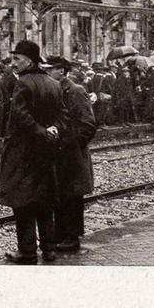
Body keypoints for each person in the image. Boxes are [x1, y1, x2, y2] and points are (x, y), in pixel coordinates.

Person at [0, 40, 67, 264]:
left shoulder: (24, 83)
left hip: (24, 153)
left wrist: (40, 132)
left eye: (17, 59)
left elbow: (21, 116)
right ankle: (49, 249)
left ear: (28, 61)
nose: (13, 63)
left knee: (24, 203)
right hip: (47, 152)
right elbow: (62, 115)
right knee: (45, 201)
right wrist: (53, 130)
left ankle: (27, 252)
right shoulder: (53, 83)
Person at [46, 55, 96, 253]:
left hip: (72, 154)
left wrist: (72, 146)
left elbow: (88, 125)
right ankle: (60, 235)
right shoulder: (53, 90)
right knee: (59, 195)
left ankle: (72, 237)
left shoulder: (74, 91)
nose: (47, 73)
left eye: (50, 69)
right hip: (57, 153)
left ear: (61, 71)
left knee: (72, 197)